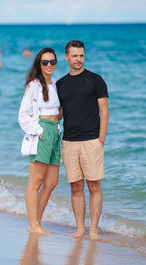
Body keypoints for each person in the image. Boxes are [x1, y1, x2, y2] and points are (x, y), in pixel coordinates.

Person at [56, 40, 109, 240]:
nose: (79, 59)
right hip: (69, 141)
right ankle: (80, 229)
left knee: (94, 186)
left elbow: (104, 111)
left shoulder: (96, 80)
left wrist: (101, 139)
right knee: (75, 186)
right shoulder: (60, 84)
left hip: (91, 140)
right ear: (66, 57)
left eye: (82, 55)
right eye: (75, 56)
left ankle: (93, 230)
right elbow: (59, 113)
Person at [18, 48, 61, 235]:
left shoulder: (56, 85)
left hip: (56, 132)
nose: (49, 65)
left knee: (51, 183)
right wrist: (40, 131)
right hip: (42, 132)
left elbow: (57, 110)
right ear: (39, 64)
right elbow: (23, 116)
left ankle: (36, 222)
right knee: (35, 183)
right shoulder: (34, 85)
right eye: (45, 62)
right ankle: (34, 225)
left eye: (52, 61)